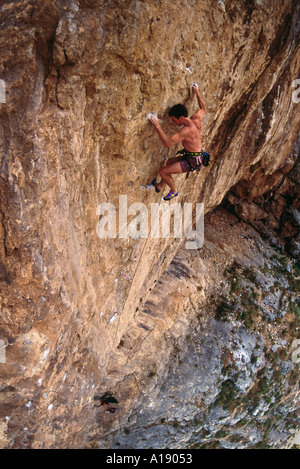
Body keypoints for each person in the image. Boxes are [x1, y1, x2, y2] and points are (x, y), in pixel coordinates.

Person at [149, 83, 206, 200]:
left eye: (174, 120)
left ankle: (174, 191)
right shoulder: (196, 118)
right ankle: (159, 186)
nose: (173, 122)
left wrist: (157, 125)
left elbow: (167, 143)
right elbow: (202, 109)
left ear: (181, 118)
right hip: (193, 156)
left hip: (192, 161)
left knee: (163, 171)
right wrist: (197, 92)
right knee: (170, 162)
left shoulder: (186, 131)